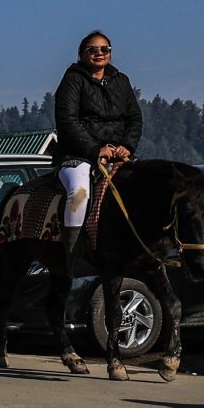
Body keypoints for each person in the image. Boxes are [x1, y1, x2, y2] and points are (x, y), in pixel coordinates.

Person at [52, 30, 142, 267]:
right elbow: (67, 121)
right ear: (82, 54)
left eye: (105, 49)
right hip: (78, 156)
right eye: (93, 49)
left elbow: (134, 118)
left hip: (118, 154)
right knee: (79, 193)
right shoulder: (72, 80)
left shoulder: (121, 81)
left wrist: (126, 146)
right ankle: (73, 254)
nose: (99, 53)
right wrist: (95, 150)